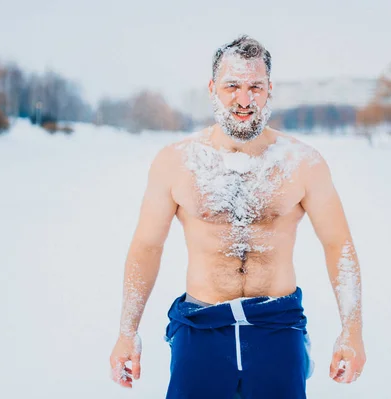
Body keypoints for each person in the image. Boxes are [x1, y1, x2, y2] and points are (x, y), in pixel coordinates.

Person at [109, 35, 366, 398]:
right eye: (232, 85)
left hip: (277, 327)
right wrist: (126, 331)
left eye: (255, 87)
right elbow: (147, 246)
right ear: (213, 88)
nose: (244, 100)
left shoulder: (302, 163)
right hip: (201, 327)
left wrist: (352, 329)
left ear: (270, 90)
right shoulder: (176, 163)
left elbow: (337, 244)